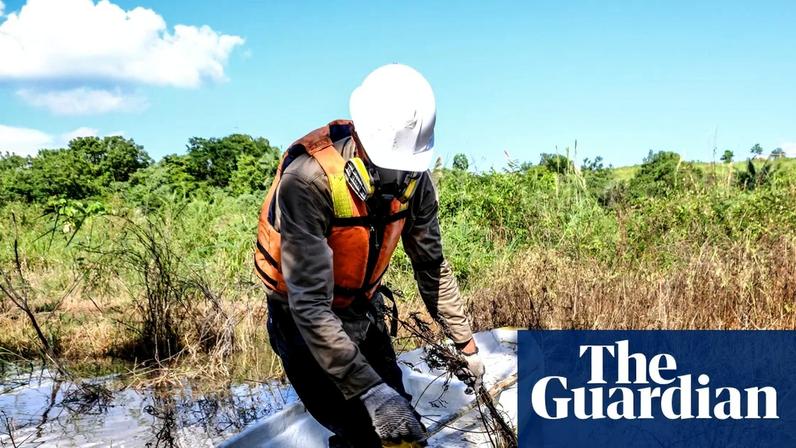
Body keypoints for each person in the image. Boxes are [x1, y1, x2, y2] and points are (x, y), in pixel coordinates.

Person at [255, 64, 484, 447]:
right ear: (361, 139)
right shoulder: (308, 181)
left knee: (405, 426)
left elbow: (431, 266)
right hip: (303, 321)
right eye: (387, 166)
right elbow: (309, 305)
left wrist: (466, 345)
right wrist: (370, 391)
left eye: (406, 167)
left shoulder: (416, 181)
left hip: (364, 309)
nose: (398, 177)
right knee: (364, 432)